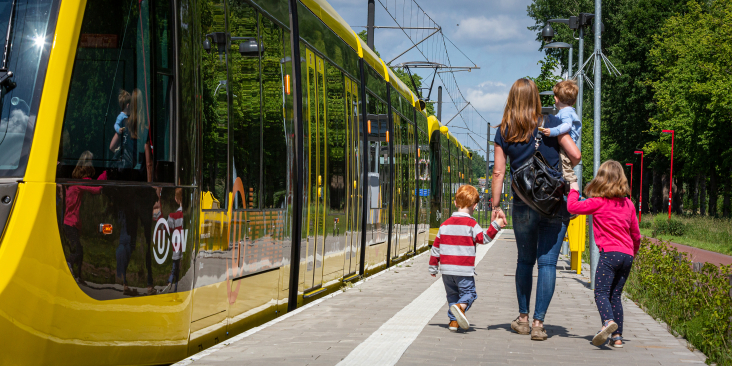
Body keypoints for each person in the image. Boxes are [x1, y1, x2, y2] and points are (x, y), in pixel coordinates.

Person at [492, 78, 581, 341]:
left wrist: (495, 207)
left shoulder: (504, 130)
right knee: (548, 264)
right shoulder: (552, 123)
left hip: (523, 205)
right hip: (553, 203)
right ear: (536, 99)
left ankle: (522, 319)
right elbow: (575, 156)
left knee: (524, 260)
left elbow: (498, 172)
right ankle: (539, 324)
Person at [566, 160, 640, 348]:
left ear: (601, 180)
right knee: (615, 295)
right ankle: (617, 338)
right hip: (627, 255)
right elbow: (636, 235)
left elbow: (572, 207)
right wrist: (633, 253)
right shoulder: (629, 204)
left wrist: (574, 189)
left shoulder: (598, 202)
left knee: (600, 292)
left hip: (609, 255)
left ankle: (607, 322)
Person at [429, 185, 505, 332]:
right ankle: (459, 308)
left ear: (456, 203)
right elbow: (484, 238)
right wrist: (496, 224)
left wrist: (433, 267)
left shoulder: (444, 225)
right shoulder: (471, 224)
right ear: (475, 205)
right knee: (469, 294)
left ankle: (453, 323)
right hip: (463, 270)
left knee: (452, 295)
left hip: (446, 270)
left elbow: (435, 248)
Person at [63, 151, 107, 285]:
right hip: (72, 223)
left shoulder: (73, 182)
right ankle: (68, 266)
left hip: (69, 223)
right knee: (77, 251)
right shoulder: (83, 182)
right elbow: (97, 189)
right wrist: (107, 173)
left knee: (79, 250)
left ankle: (79, 277)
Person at [541, 80, 581, 185]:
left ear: (556, 99)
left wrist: (553, 131)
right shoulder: (569, 111)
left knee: (568, 174)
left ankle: (575, 194)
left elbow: (567, 126)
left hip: (565, 146)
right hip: (568, 144)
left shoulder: (565, 112)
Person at [163, 188, 184, 294]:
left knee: (174, 267)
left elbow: (168, 228)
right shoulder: (187, 214)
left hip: (176, 247)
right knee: (179, 270)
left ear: (176, 199)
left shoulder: (173, 216)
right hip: (183, 248)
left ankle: (170, 283)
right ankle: (175, 288)